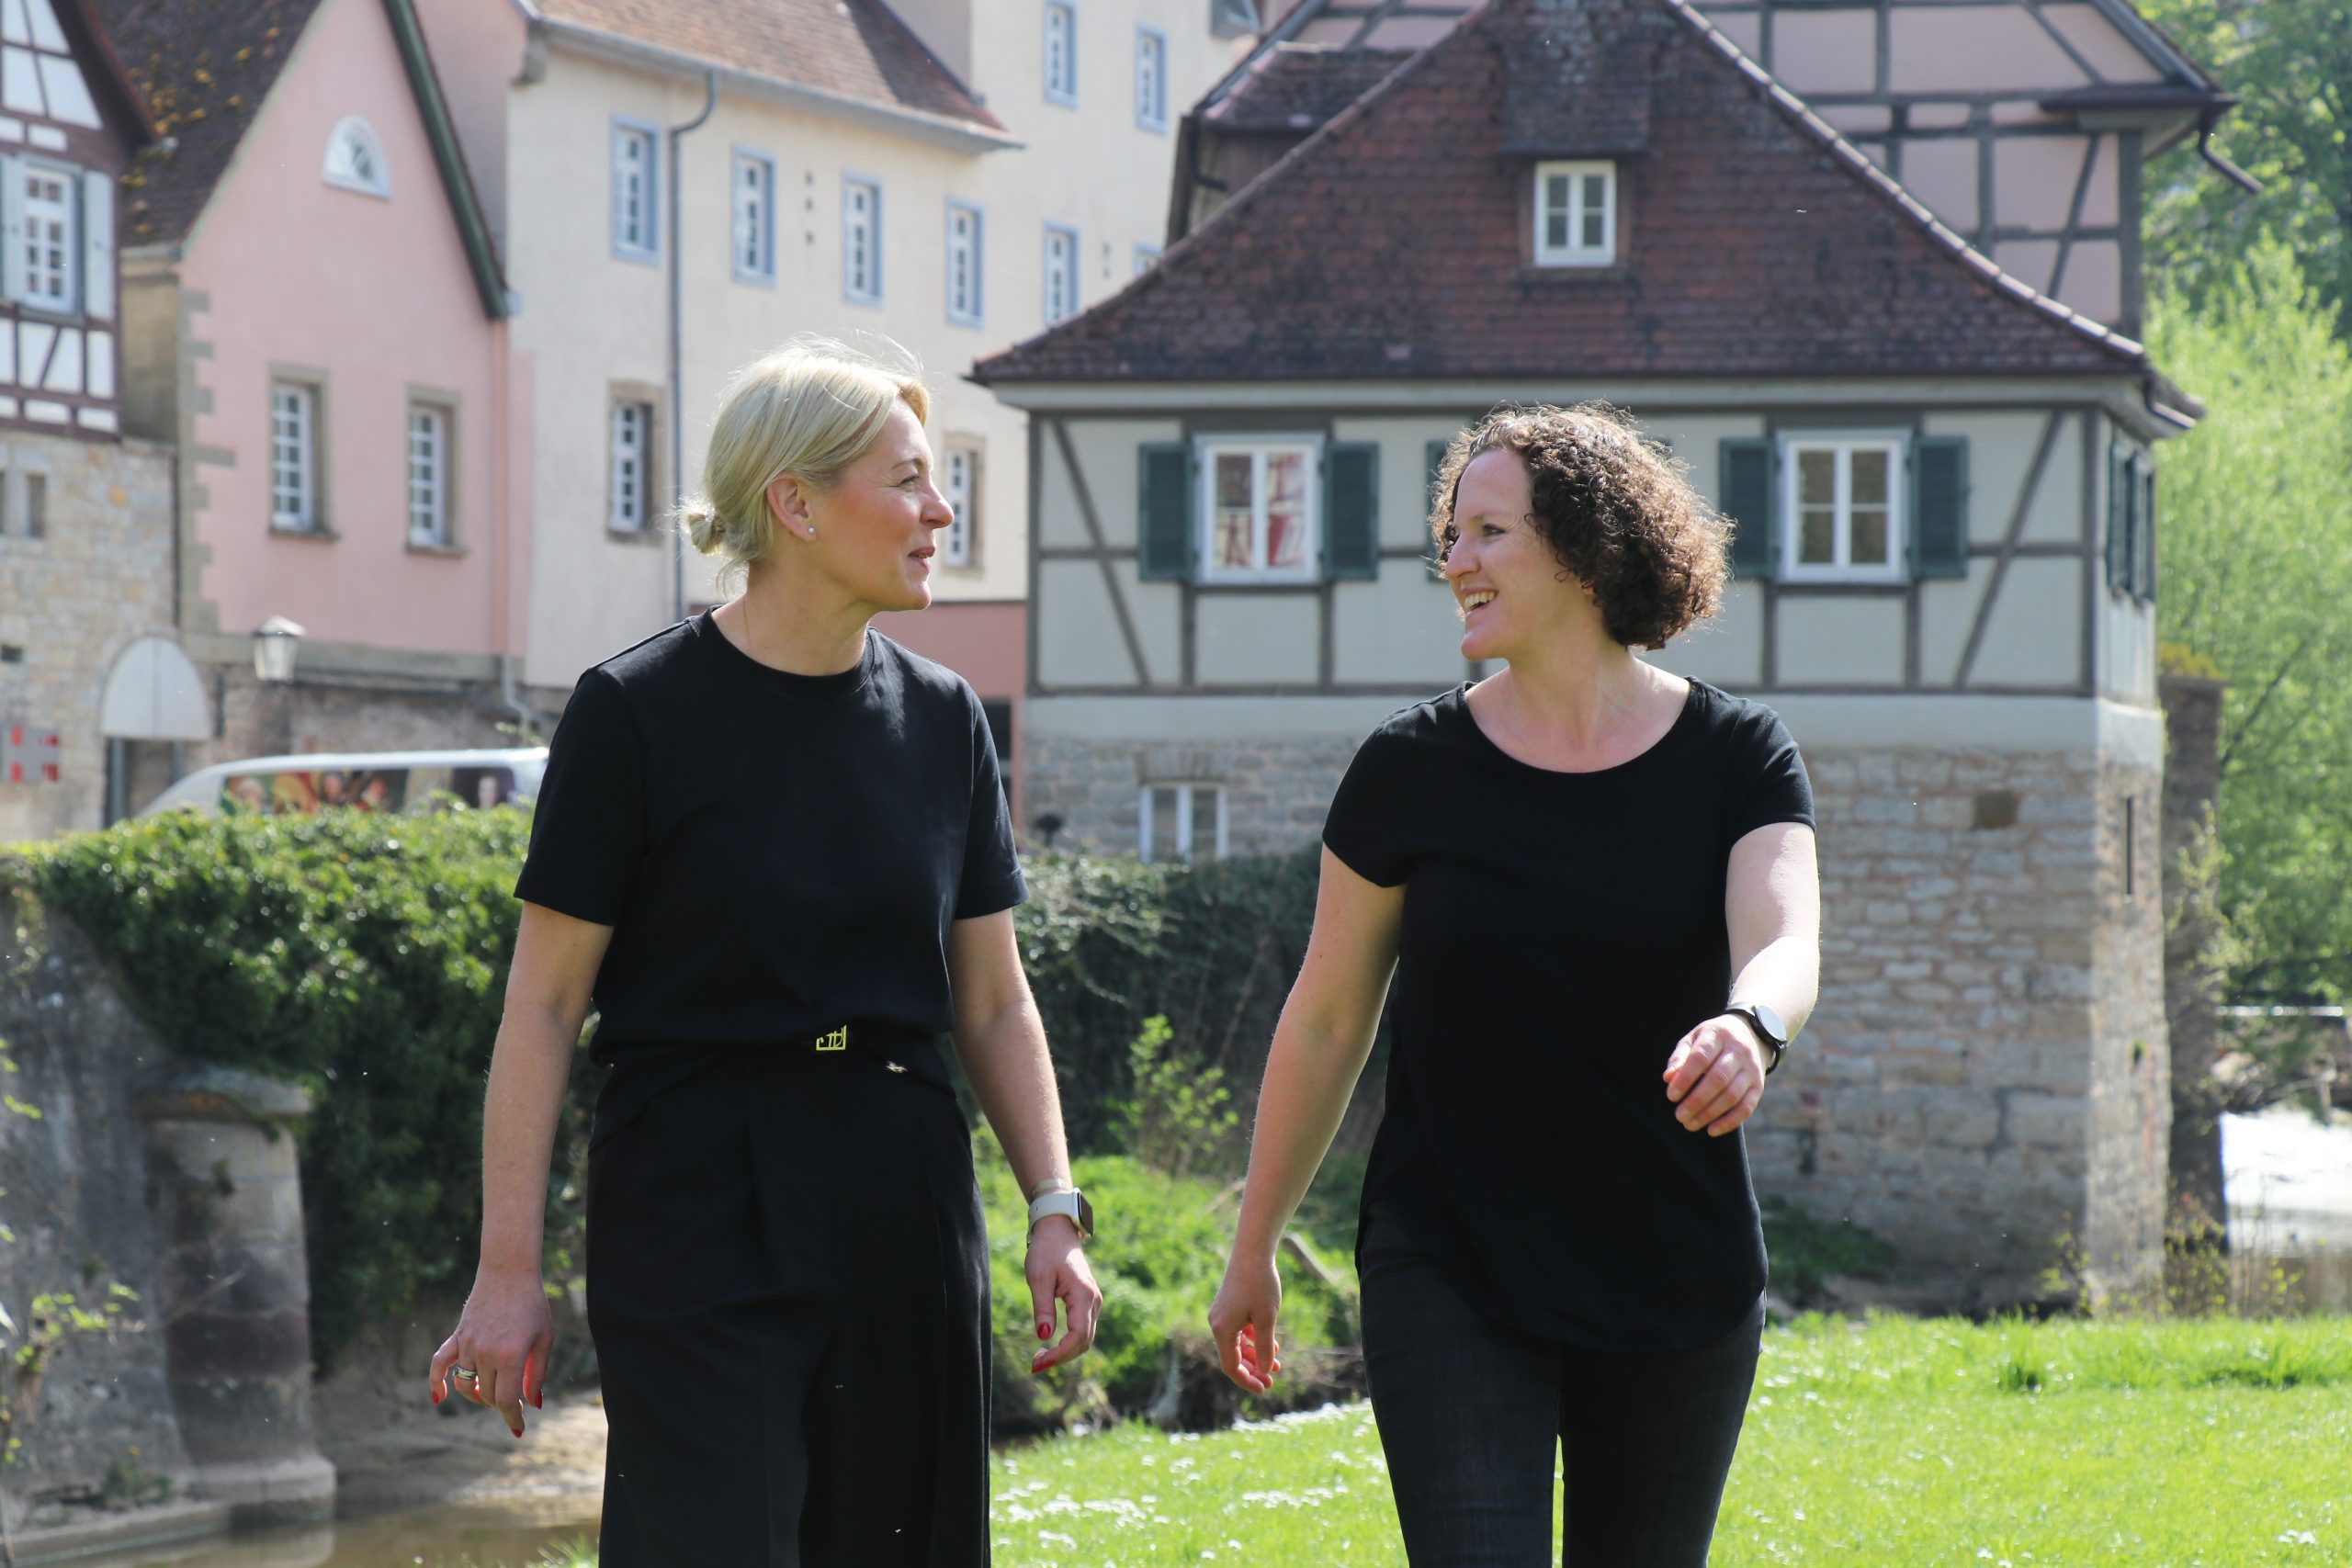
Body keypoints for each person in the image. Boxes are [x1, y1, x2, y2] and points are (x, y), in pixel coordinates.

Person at [426, 339, 1102, 1566]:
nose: (940, 508)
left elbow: (994, 1004)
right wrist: (507, 1268)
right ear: (792, 501)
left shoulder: (947, 719)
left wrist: (1054, 1206)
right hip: (695, 1185)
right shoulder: (633, 713)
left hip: (902, 1182)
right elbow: (543, 1004)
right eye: (907, 479)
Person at [1209, 404, 1821, 1566]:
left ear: (1585, 550)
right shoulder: (1407, 770)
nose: (1454, 563)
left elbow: (1785, 936)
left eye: (1487, 532)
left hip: (1672, 1269)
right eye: (1452, 534)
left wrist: (1752, 1025)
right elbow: (1329, 1017)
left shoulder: (1738, 756)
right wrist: (1254, 1249)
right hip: (1450, 1261)